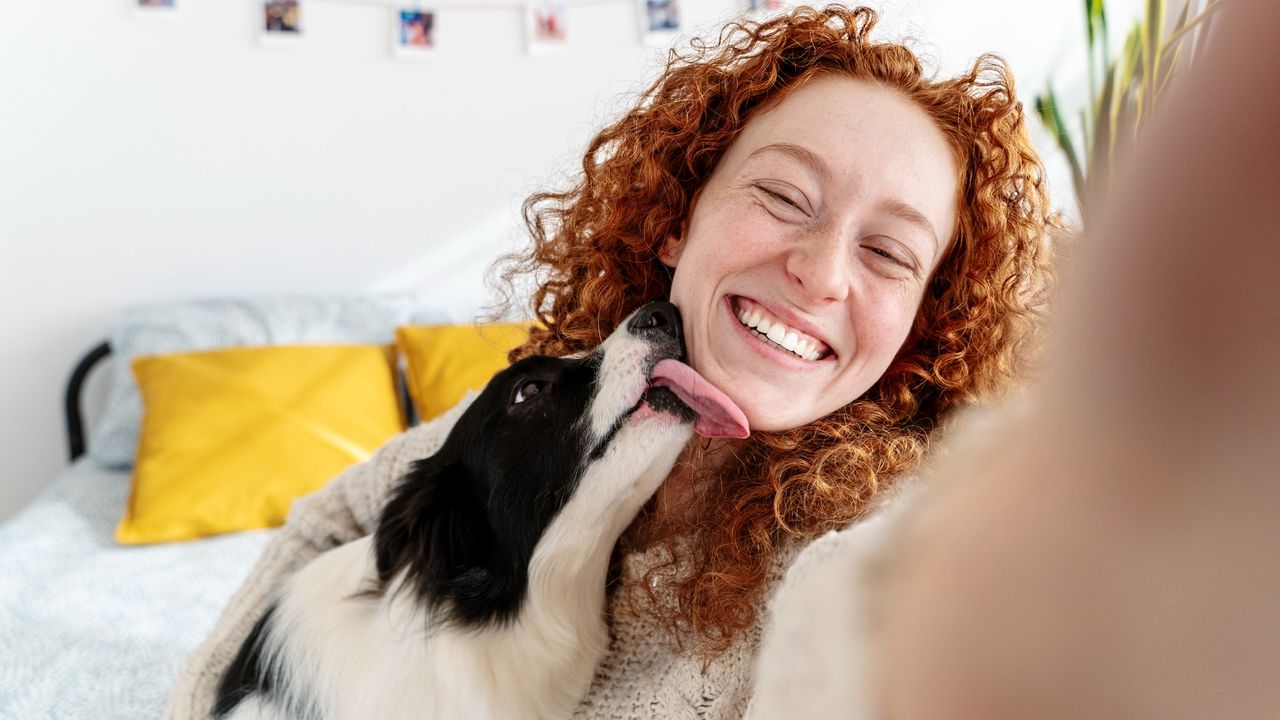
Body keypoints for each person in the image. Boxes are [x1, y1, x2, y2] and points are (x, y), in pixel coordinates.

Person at [163, 6, 1059, 718]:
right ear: (677, 220)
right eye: (786, 196)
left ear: (919, 330)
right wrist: (209, 702)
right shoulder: (544, 410)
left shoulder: (872, 553)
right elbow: (332, 519)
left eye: (890, 253)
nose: (821, 274)